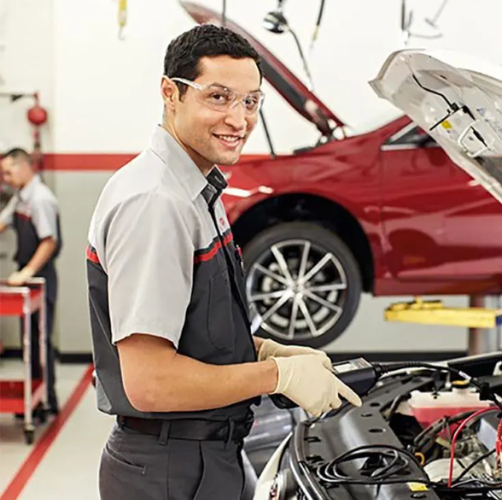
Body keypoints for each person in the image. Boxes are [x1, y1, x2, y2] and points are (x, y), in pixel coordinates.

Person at [86, 24, 361, 500]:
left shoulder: (197, 188)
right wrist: (276, 376)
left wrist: (260, 351)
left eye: (251, 101)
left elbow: (193, 330)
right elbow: (149, 382)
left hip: (205, 455)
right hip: (171, 469)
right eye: (219, 97)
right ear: (171, 93)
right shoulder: (156, 202)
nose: (239, 119)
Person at [0, 147, 61, 416]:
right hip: (25, 277)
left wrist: (27, 272)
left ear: (25, 167)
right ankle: (31, 400)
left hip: (41, 276)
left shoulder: (40, 199)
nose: (5, 178)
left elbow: (49, 241)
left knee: (40, 340)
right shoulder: (20, 198)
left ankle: (46, 399)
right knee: (29, 342)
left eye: (9, 171)